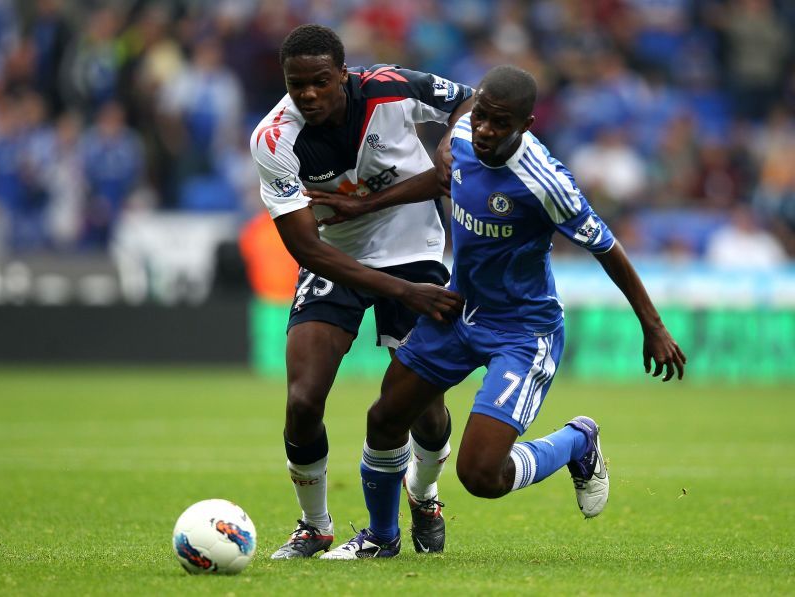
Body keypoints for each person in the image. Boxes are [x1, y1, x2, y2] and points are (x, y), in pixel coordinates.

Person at [321, 65, 687, 559]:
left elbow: (608, 248)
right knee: (385, 418)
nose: (486, 131)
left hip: (521, 333)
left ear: (527, 124)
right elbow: (442, 179)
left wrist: (653, 325)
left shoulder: (547, 184)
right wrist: (367, 206)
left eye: (500, 123)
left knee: (481, 476)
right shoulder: (466, 141)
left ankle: (577, 441)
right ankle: (381, 538)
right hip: (459, 311)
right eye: (482, 118)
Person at [249, 24, 474, 558]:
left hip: (414, 246)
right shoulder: (274, 138)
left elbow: (471, 100)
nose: (307, 94)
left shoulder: (392, 87)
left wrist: (448, 142)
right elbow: (307, 250)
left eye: (319, 82)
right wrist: (404, 293)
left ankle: (423, 494)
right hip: (336, 256)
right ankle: (315, 525)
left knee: (423, 408)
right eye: (296, 83)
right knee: (302, 401)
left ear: (342, 76)